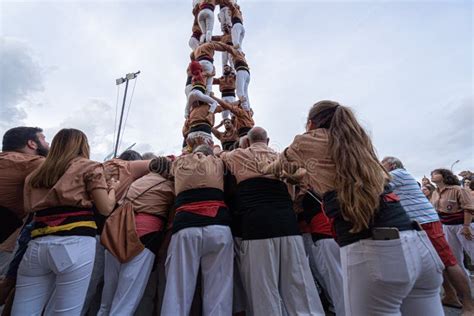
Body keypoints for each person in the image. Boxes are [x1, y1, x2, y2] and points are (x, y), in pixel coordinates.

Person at [263, 101, 444, 315]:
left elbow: (278, 165)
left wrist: (262, 167)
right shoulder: (358, 141)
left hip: (375, 249)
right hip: (417, 242)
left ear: (311, 124)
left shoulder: (306, 141)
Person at [11, 128, 118, 316]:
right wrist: (113, 189)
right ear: (83, 145)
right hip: (75, 242)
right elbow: (106, 208)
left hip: (36, 243)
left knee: (24, 310)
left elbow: (28, 207)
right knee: (66, 311)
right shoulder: (89, 167)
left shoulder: (36, 175)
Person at [219, 127, 324, 316]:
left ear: (248, 142)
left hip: (256, 227)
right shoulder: (282, 157)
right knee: (299, 288)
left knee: (264, 293)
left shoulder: (238, 155)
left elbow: (219, 154)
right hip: (288, 225)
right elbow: (303, 183)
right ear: (267, 141)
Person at [382, 156, 474, 314]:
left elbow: (371, 183)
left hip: (427, 222)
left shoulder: (398, 173)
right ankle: (451, 296)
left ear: (391, 165)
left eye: (382, 164)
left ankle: (469, 305)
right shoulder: (398, 176)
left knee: (449, 261)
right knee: (437, 262)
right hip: (420, 223)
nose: (379, 167)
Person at [161, 145, 233, 316]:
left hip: (185, 228)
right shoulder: (218, 162)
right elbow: (221, 154)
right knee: (219, 291)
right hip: (218, 227)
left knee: (177, 289)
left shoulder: (180, 163)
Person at [98, 157, 175, 315]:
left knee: (107, 296)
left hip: (117, 234)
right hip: (145, 238)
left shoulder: (135, 182)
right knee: (126, 299)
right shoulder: (169, 187)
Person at [0, 127, 49, 311]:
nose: (48, 143)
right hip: (5, 237)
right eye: (44, 139)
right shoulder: (35, 163)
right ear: (32, 143)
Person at [431, 168, 474, 277]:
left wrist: (466, 226)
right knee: (455, 258)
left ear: (444, 176)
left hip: (462, 225)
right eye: (432, 174)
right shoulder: (435, 193)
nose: (432, 175)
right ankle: (466, 289)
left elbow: (468, 208)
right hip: (447, 227)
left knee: (472, 251)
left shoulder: (458, 189)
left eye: (436, 174)